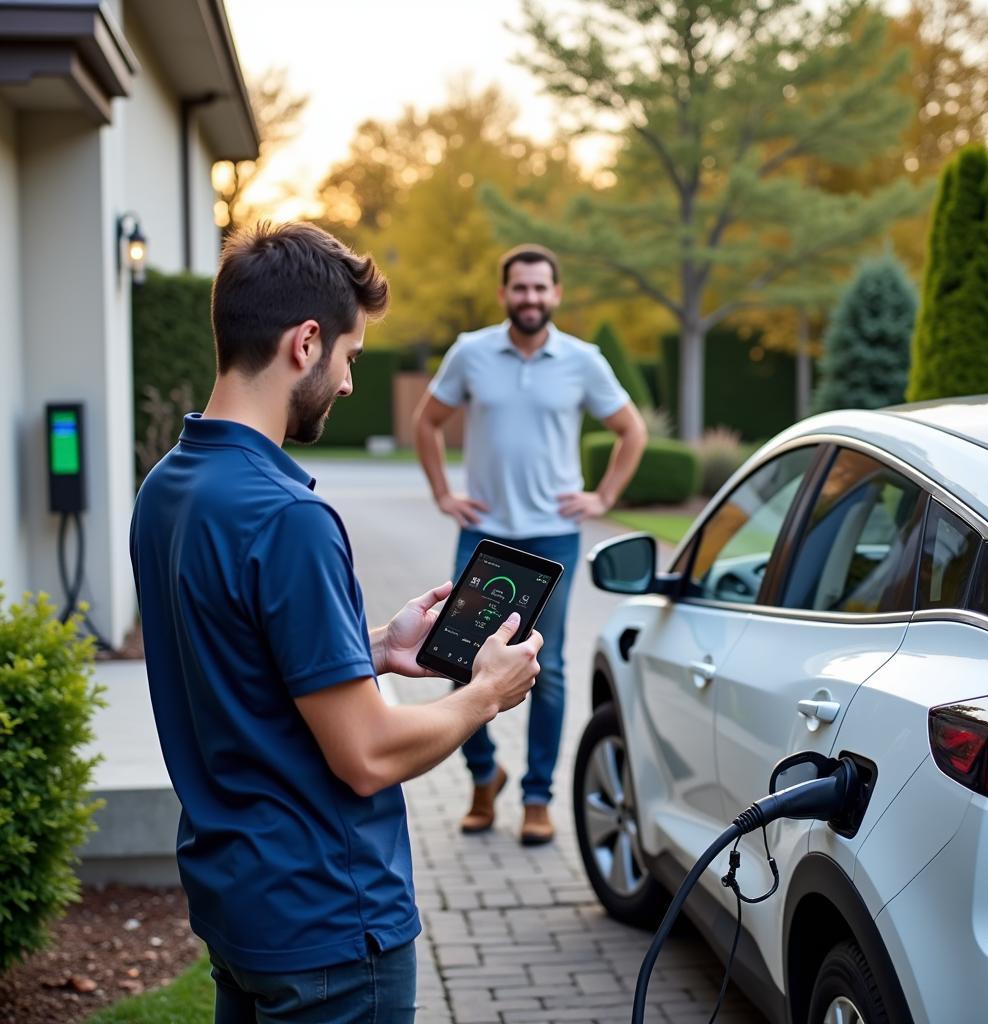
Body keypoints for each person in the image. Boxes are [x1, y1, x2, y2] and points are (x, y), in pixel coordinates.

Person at [129, 222, 543, 1024]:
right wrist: (485, 693)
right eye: (350, 356)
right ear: (305, 342)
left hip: (239, 910)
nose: (350, 381)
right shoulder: (290, 517)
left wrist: (379, 649)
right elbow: (365, 757)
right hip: (329, 925)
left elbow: (237, 667)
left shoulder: (168, 487)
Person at [413, 244, 647, 846]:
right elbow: (427, 422)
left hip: (554, 537)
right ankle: (484, 776)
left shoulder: (582, 360)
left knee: (550, 670)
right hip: (483, 536)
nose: (531, 299)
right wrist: (444, 493)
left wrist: (602, 499)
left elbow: (630, 430)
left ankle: (537, 796)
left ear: (556, 294)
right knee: (455, 659)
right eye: (520, 288)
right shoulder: (471, 353)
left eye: (541, 289)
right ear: (504, 294)